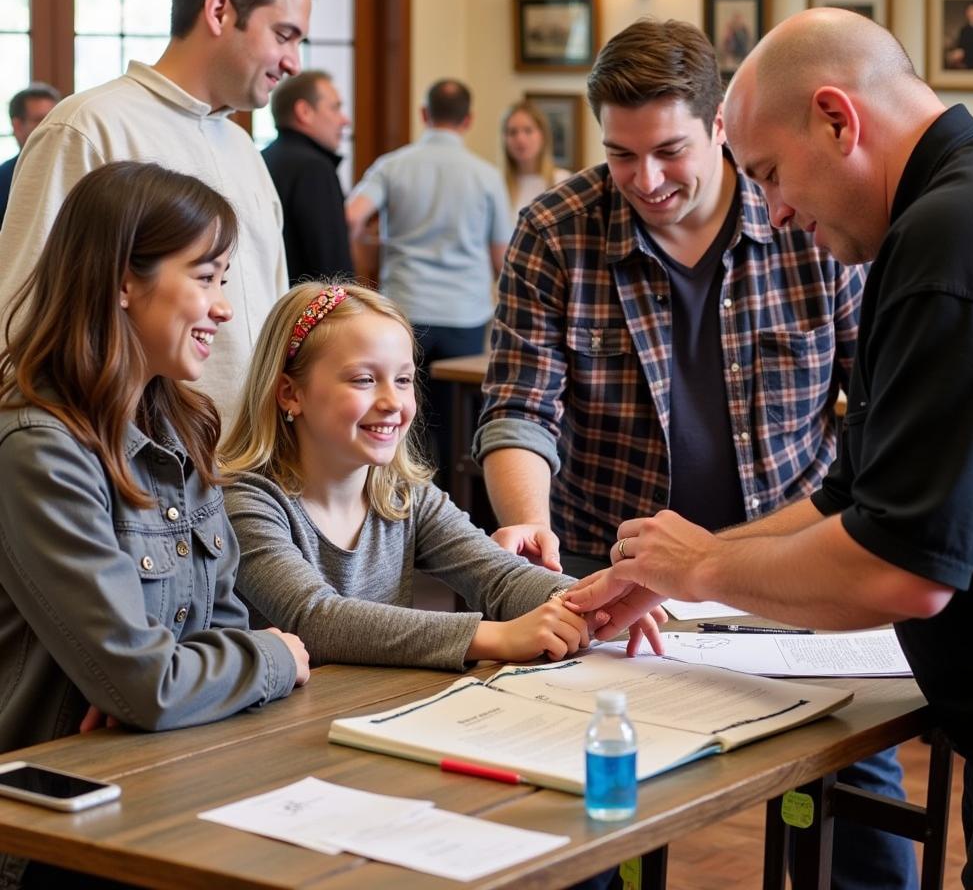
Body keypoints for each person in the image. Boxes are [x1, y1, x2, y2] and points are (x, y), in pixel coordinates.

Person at [566, 6, 973, 889]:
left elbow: (901, 569)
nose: (772, 213)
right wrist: (669, 568)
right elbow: (852, 498)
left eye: (772, 175)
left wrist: (700, 571)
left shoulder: (948, 241)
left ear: (837, 119)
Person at [474, 18, 915, 890]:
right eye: (621, 155)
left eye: (669, 150)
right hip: (618, 571)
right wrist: (525, 520)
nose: (645, 180)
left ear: (721, 124)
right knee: (586, 805)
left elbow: (873, 402)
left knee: (854, 798)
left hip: (784, 561)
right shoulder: (557, 230)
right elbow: (522, 407)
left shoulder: (808, 219)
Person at [0, 161, 309, 890]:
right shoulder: (38, 450)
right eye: (205, 277)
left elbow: (193, 654)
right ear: (122, 282)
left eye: (224, 280)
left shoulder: (183, 426)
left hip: (169, 775)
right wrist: (271, 657)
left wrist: (177, 689)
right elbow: (149, 684)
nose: (225, 309)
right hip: (59, 831)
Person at [218, 281, 661, 669]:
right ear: (290, 393)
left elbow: (499, 576)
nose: (394, 402)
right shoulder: (246, 502)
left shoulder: (403, 495)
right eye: (364, 380)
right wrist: (496, 637)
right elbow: (315, 618)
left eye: (404, 380)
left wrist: (601, 600)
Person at [0, 0, 324, 430]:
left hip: (251, 471)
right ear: (219, 11)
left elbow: (271, 321)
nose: (293, 62)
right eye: (283, 35)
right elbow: (22, 326)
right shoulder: (89, 127)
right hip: (135, 473)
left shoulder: (245, 150)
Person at [346, 80, 512, 487]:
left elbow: (351, 214)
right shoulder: (486, 176)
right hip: (465, 314)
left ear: (424, 114)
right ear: (469, 119)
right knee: (458, 429)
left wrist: (361, 267)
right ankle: (454, 515)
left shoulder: (393, 165)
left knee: (403, 423)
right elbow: (500, 257)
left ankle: (401, 509)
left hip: (406, 310)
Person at [262, 69, 354, 286]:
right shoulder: (314, 168)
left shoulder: (263, 158)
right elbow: (332, 268)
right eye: (335, 108)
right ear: (304, 111)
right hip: (308, 312)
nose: (345, 120)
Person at [0, 82, 60, 222]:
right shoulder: (3, 179)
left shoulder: (74, 169)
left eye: (54, 119)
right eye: (41, 120)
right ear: (18, 126)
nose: (52, 128)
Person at [501, 100, 571, 215]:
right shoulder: (497, 184)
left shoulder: (562, 181)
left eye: (528, 130)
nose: (520, 139)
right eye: (513, 132)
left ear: (542, 135)